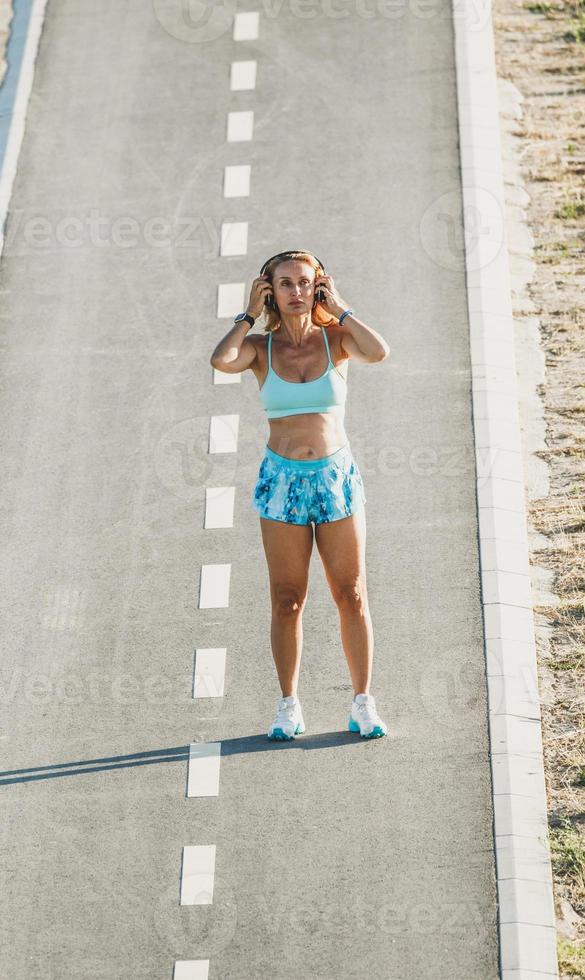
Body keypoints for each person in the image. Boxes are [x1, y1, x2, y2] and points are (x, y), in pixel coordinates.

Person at [208, 250, 392, 741]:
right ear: (269, 290)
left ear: (319, 287)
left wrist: (343, 308)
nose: (295, 292)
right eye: (284, 283)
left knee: (350, 593)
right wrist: (247, 313)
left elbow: (379, 352)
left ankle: (362, 703)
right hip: (283, 482)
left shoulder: (337, 341)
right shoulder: (260, 349)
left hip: (336, 479)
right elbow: (221, 360)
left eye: (305, 283)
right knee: (288, 599)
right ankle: (288, 705)